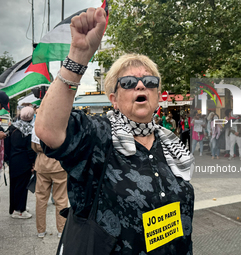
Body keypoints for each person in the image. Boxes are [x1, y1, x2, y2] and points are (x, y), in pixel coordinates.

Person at [35, 7, 194, 254]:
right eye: (129, 82)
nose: (141, 84)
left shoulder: (170, 143)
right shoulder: (99, 134)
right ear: (114, 99)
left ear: (157, 96)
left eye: (150, 81)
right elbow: (48, 130)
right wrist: (78, 55)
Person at [31, 121, 68, 238]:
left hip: (42, 164)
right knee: (61, 199)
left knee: (41, 198)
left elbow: (34, 147)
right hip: (59, 164)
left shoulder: (37, 125)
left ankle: (40, 230)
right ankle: (61, 230)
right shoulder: (61, 123)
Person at [4, 106, 36, 219]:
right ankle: (20, 210)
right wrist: (33, 163)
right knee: (22, 186)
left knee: (14, 185)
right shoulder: (29, 130)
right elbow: (30, 150)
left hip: (13, 160)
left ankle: (13, 208)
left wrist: (7, 159)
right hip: (24, 162)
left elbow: (6, 145)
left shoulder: (12, 128)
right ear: (31, 116)